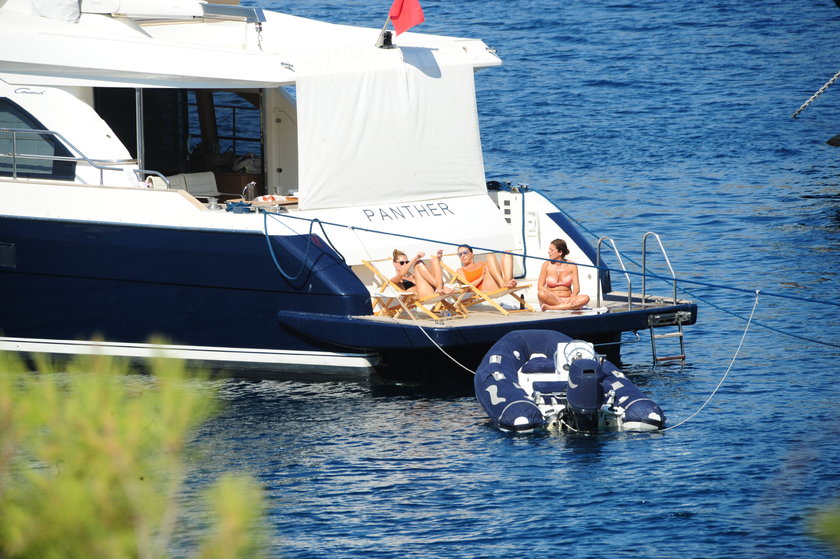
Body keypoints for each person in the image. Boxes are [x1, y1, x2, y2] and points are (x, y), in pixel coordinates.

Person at [537, 238, 590, 311]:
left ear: (560, 252)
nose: (549, 252)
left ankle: (552, 308)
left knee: (585, 298)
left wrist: (573, 296)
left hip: (568, 299)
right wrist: (554, 296)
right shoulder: (546, 265)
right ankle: (568, 307)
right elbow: (540, 286)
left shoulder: (572, 265)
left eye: (551, 250)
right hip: (552, 299)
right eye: (549, 249)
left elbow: (576, 287)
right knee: (541, 294)